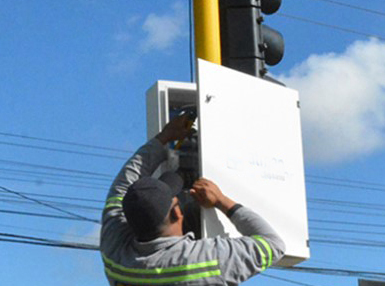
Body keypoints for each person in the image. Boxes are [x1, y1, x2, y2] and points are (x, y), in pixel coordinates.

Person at [100, 115, 286, 286]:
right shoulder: (198, 262)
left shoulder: (115, 252)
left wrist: (163, 137)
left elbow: (122, 187)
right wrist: (222, 201)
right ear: (176, 212)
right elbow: (273, 245)